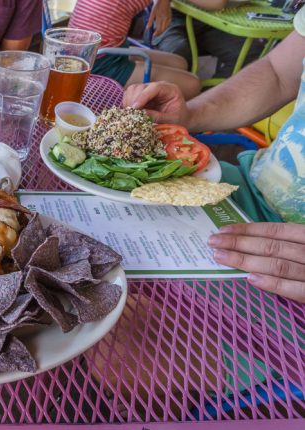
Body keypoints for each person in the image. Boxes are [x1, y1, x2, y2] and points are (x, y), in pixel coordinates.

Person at [122, 11, 305, 303]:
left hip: (292, 269)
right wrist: (189, 115)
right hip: (244, 186)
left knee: (144, 323)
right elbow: (278, 72)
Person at [69, 0, 201, 99]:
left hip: (94, 48)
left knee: (180, 63)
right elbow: (216, 3)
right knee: (193, 85)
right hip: (97, 62)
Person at [151, 0, 264, 78]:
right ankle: (172, 102)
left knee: (250, 51)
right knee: (177, 52)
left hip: (214, 20)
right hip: (172, 17)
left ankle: (212, 98)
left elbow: (217, 3)